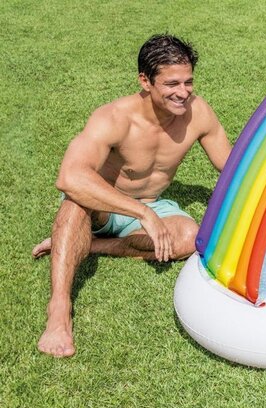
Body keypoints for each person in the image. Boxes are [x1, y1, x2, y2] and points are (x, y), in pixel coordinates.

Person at [31, 34, 232, 357]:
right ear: (145, 81)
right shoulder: (114, 118)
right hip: (104, 204)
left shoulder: (198, 113)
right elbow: (70, 177)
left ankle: (85, 246)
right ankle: (59, 310)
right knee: (74, 206)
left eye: (188, 82)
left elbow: (230, 166)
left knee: (188, 237)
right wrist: (143, 215)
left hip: (153, 202)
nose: (183, 93)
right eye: (172, 84)